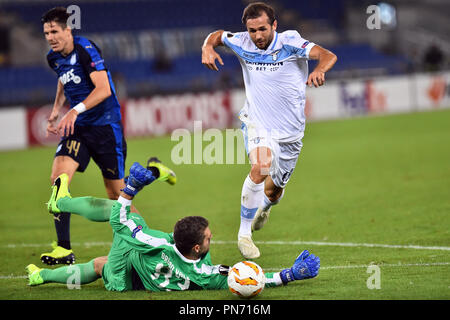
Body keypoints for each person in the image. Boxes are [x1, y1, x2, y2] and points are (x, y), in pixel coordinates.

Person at [26, 162, 320, 292]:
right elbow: (244, 278)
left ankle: (60, 205)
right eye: (207, 237)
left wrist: (130, 189)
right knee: (106, 257)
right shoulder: (203, 273)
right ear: (196, 248)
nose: (211, 237)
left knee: (123, 222)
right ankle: (43, 274)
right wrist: (289, 275)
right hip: (140, 278)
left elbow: (121, 220)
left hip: (128, 273)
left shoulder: (159, 243)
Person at [201, 2, 337, 259]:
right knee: (261, 167)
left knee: (273, 191)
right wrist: (207, 47)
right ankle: (244, 235)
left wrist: (319, 69)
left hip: (290, 134)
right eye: (252, 31)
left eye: (262, 29)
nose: (257, 36)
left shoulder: (291, 43)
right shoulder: (241, 41)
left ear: (274, 25)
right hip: (257, 122)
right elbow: (217, 36)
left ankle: (265, 207)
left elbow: (328, 55)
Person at [40, 7, 131, 265]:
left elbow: (103, 90)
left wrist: (73, 111)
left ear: (68, 30)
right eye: (46, 33)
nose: (50, 37)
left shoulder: (85, 49)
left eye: (55, 31)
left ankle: (142, 238)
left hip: (105, 127)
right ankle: (64, 248)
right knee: (58, 179)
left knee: (117, 195)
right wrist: (57, 110)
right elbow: (63, 79)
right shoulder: (53, 57)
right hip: (78, 128)